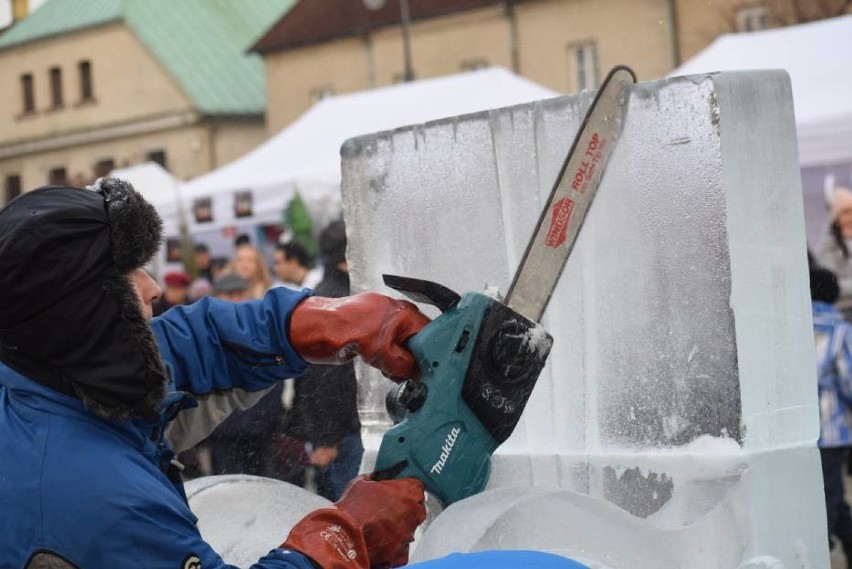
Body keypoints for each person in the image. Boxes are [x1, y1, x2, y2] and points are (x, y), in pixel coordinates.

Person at [0, 179, 430, 569]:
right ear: (81, 311)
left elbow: (192, 343)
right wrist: (343, 538)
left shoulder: (42, 373)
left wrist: (320, 322)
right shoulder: (103, 499)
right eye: (124, 274)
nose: (153, 287)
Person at [286, 220, 363, 500]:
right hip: (343, 435)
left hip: (342, 430)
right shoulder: (335, 301)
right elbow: (325, 377)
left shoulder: (334, 294)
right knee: (349, 508)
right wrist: (328, 438)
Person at [811, 259, 852, 566]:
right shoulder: (840, 330)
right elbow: (849, 379)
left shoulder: (785, 326)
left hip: (794, 428)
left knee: (818, 495)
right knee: (830, 497)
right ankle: (819, 552)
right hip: (832, 428)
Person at [817, 187, 852, 321]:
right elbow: (829, 286)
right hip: (843, 311)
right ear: (836, 216)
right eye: (846, 212)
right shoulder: (830, 244)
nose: (851, 216)